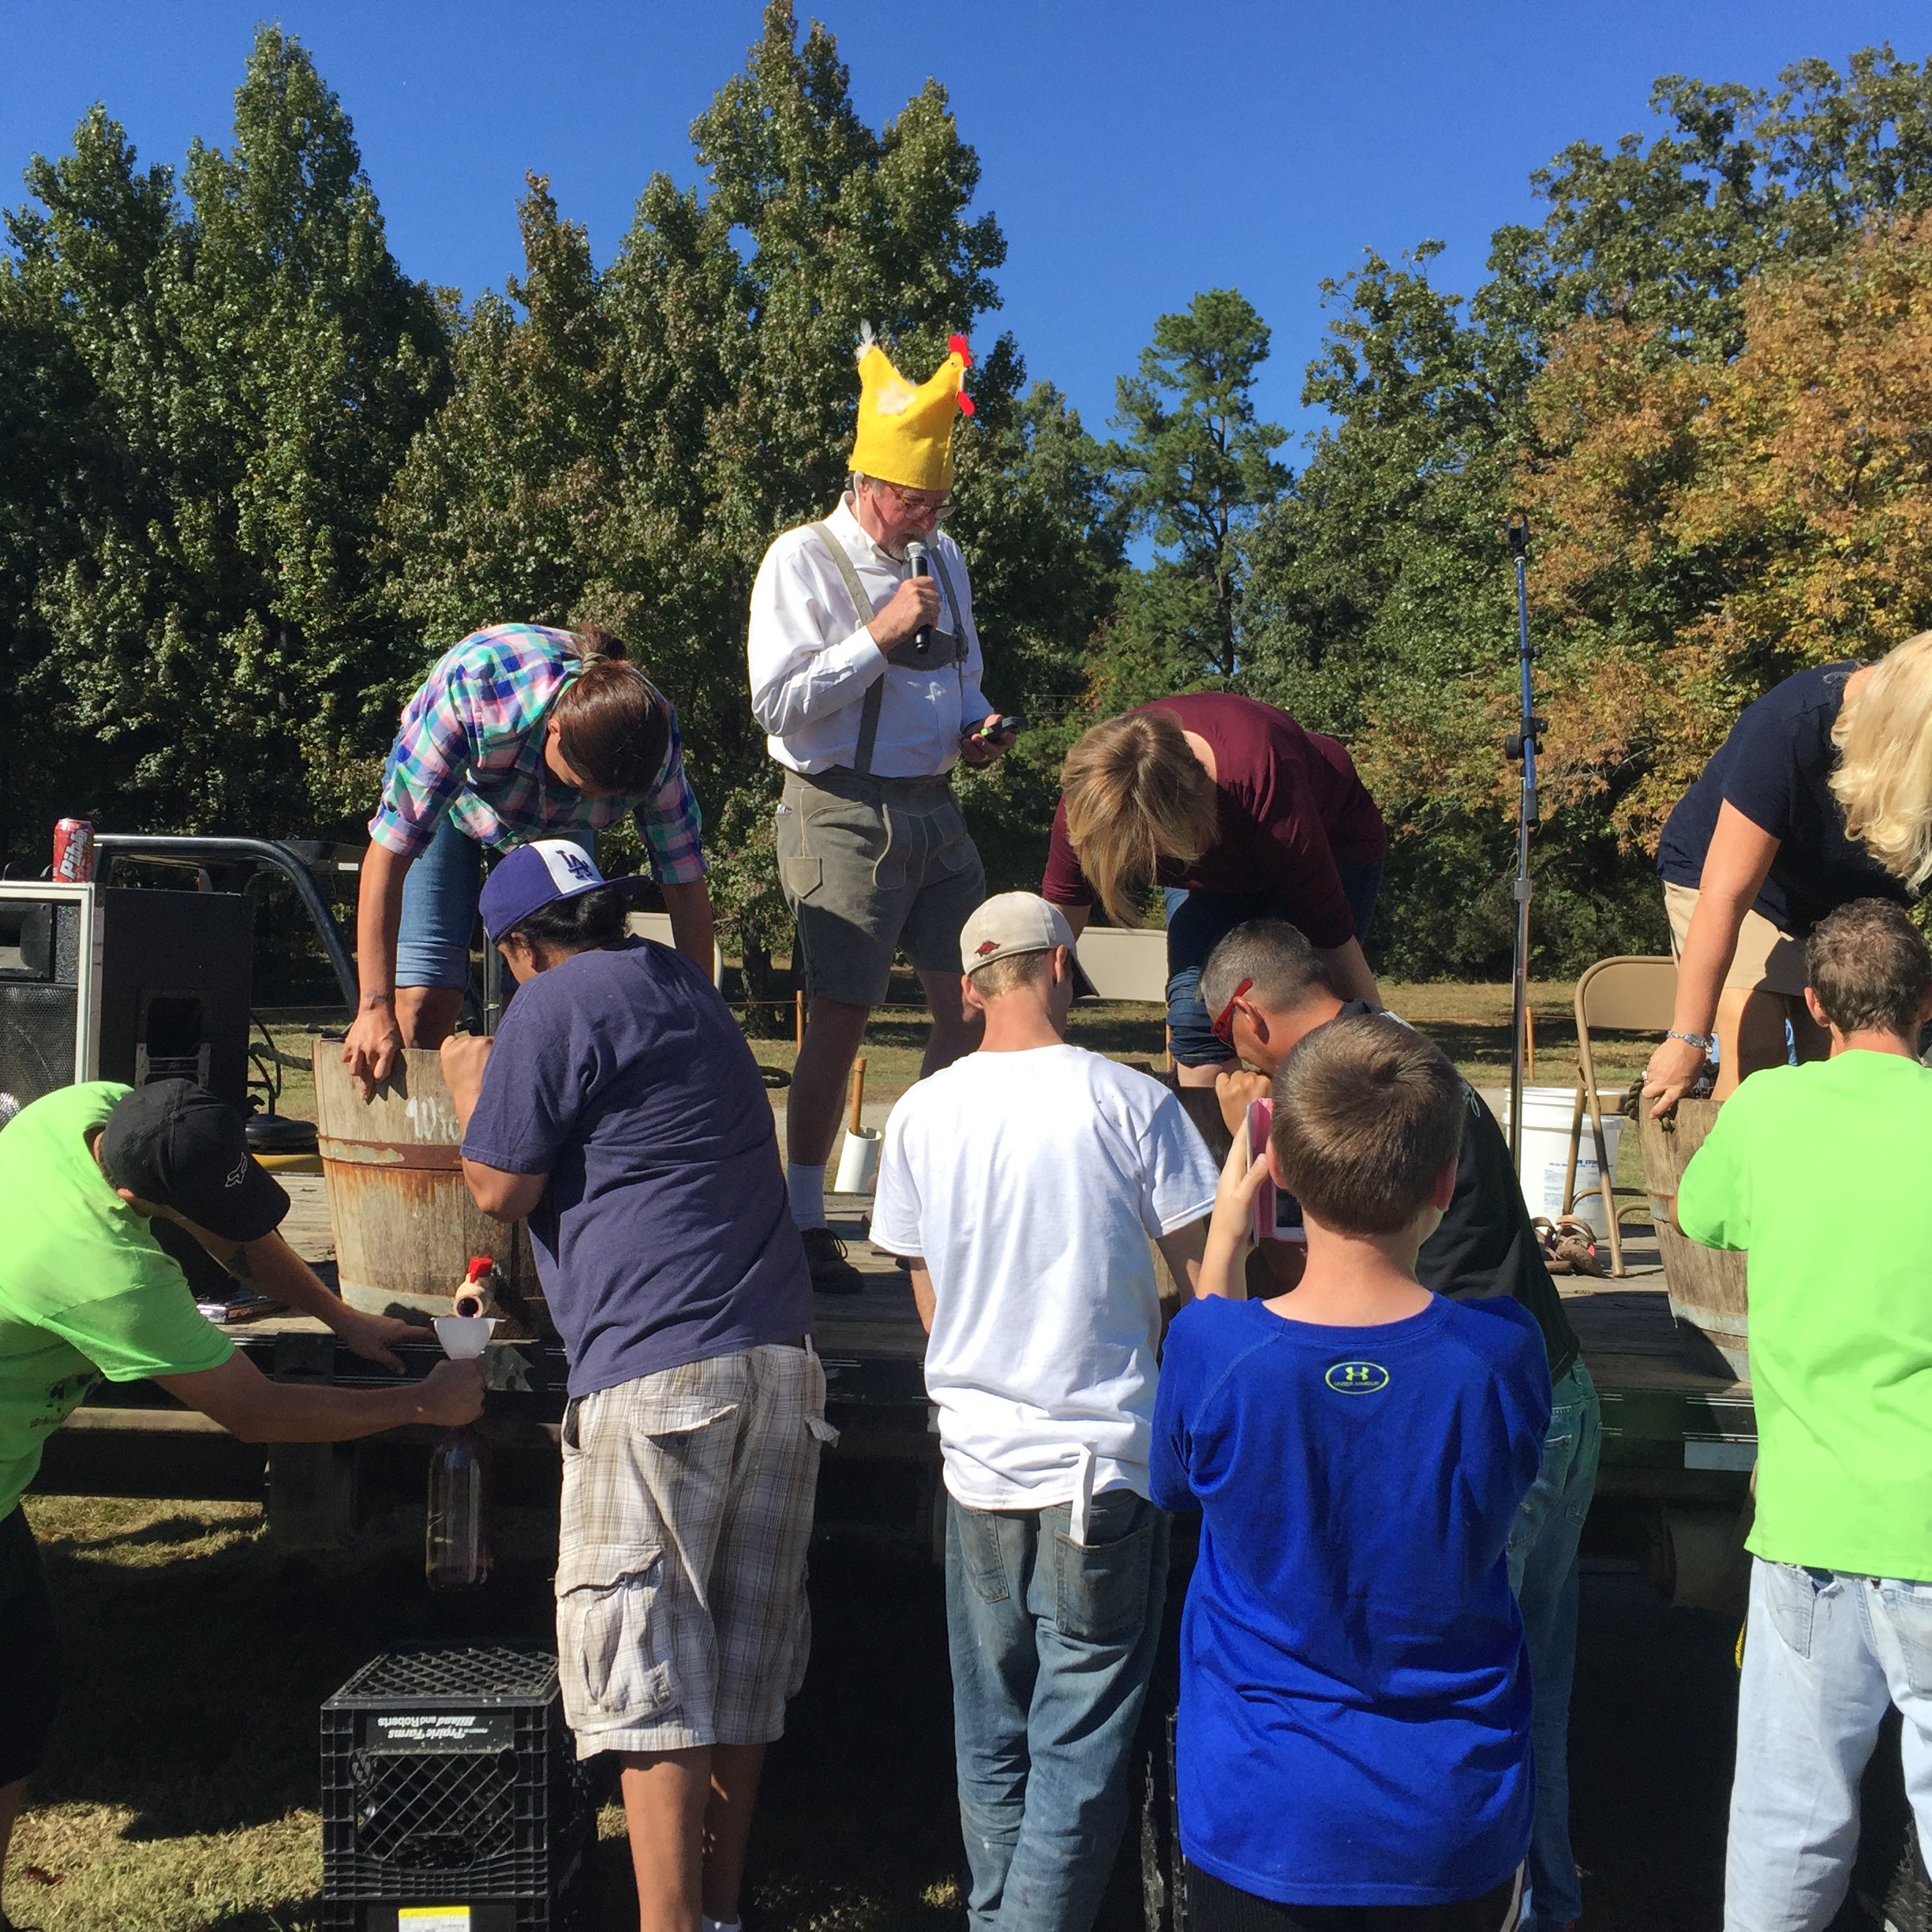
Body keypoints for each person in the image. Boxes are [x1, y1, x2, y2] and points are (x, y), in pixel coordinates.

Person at [441, 841, 825, 1932]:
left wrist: (475, 1087)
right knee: (742, 1661)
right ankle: (715, 1912)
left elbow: (497, 1187)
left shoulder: (547, 1006)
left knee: (645, 1658)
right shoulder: (684, 990)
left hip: (657, 1371)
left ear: (521, 947)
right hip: (782, 1363)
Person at [0, 1078, 485, 1917]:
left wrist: (341, 1318)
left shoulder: (95, 1113)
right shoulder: (104, 1272)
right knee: (13, 1694)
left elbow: (240, 1236)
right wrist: (420, 1404)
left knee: (20, 1688)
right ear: (128, 1195)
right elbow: (256, 1413)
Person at [1200, 919, 1599, 1932]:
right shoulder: (1413, 1070)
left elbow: (1389, 1325)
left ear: (1247, 1009)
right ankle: (1539, 1897)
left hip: (1456, 1409)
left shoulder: (1356, 1096)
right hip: (1543, 1392)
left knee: (1410, 1646)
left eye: (1216, 1032)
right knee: (1521, 1684)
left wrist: (1243, 1265)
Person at [869, 892, 1219, 1932]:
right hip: (1100, 1471)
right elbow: (1213, 1289)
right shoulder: (1128, 1101)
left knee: (993, 1739)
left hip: (975, 1464)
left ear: (972, 989)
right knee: (1077, 1758)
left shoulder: (923, 1111)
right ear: (1060, 969)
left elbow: (926, 1291)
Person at [1674, 898, 1932, 1932]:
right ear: (1927, 1003)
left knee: (1790, 1820)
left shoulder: (1770, 1115)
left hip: (1809, 1525)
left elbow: (1700, 1215)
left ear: (1817, 1005)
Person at [747, 329, 1017, 1291]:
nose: (926, 518)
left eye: (939, 502)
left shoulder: (945, 556)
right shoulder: (802, 559)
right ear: (866, 480)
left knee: (977, 1008)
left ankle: (920, 1194)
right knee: (842, 1018)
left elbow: (965, 676)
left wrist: (983, 725)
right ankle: (804, 1215)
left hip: (937, 810)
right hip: (839, 811)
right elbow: (777, 705)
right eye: (913, 501)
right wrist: (877, 633)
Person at [343, 621, 716, 1091]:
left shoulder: (651, 739)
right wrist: (372, 1007)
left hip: (556, 828)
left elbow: (682, 880)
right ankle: (434, 1151)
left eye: (611, 800)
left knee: (557, 994)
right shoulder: (474, 692)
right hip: (454, 799)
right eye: (583, 789)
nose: (599, 801)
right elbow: (388, 857)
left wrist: (706, 1017)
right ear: (554, 730)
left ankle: (534, 1135)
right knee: (422, 1000)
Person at [1645, 631, 1932, 1115]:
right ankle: (1718, 1185)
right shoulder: (1788, 725)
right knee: (1756, 1055)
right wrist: (1687, 1038)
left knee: (1850, 1068)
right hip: (1740, 886)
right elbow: (1725, 895)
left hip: (1849, 909)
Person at [1040, 693, 1386, 1089]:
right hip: (1213, 877)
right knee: (1195, 1021)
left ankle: (1327, 1134)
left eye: (1147, 850)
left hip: (1333, 838)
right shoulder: (1092, 798)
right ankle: (1215, 1146)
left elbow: (1334, 944)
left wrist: (1383, 1046)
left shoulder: (1265, 782)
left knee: (1299, 1015)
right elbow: (1058, 925)